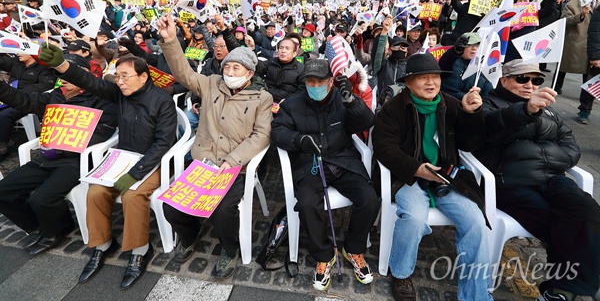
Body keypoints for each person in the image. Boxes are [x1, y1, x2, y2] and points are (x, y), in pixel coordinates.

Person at [38, 47, 178, 289]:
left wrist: (135, 173)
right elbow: (90, 82)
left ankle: (140, 250)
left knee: (133, 194)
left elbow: (164, 143)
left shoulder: (162, 101)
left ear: (143, 77)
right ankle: (103, 244)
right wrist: (62, 66)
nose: (119, 81)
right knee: (96, 191)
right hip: (121, 159)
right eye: (117, 76)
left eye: (125, 76)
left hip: (150, 163)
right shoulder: (119, 93)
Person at [156, 15, 272, 279]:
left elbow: (262, 135)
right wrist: (171, 40)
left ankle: (229, 249)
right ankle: (189, 235)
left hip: (234, 168)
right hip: (204, 163)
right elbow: (182, 72)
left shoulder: (262, 97)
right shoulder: (210, 84)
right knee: (171, 207)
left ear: (249, 74)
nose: (229, 73)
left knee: (223, 210)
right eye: (227, 67)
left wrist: (232, 160)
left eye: (236, 69)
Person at [474, 59, 600, 301]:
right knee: (560, 221)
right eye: (522, 79)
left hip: (551, 177)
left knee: (587, 209)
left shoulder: (550, 108)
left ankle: (565, 288)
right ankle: (562, 291)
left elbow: (571, 147)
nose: (530, 85)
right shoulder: (489, 103)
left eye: (536, 80)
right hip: (510, 181)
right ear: (504, 80)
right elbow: (489, 129)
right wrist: (526, 110)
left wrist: (546, 159)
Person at [372, 53, 492, 301]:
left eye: (435, 77)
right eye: (423, 78)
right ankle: (402, 273)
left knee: (476, 222)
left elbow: (470, 143)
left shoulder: (451, 104)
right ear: (408, 82)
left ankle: (476, 295)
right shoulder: (394, 108)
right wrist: (417, 169)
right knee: (414, 217)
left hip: (446, 178)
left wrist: (471, 114)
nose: (431, 83)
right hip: (408, 177)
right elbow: (385, 149)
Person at [271, 59, 379, 291]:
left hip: (343, 160)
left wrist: (351, 101)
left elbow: (368, 122)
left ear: (330, 82)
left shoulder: (342, 98)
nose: (315, 85)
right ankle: (323, 254)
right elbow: (278, 131)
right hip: (309, 164)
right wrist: (298, 140)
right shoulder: (292, 104)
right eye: (311, 81)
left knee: (369, 198)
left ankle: (353, 248)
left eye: (321, 81)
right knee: (308, 204)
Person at [0, 55, 118, 255]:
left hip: (77, 161)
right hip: (46, 158)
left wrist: (63, 145)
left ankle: (53, 232)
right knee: (4, 192)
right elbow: (24, 101)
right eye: (60, 75)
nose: (62, 79)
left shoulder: (102, 100)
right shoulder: (56, 95)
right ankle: (42, 225)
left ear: (83, 76)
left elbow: (102, 134)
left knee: (40, 199)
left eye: (68, 74)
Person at [555, 0, 600, 124]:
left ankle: (585, 107)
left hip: (593, 44)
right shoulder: (574, 3)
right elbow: (565, 21)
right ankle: (557, 86)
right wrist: (580, 15)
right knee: (565, 67)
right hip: (577, 42)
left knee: (590, 75)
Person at [0, 53, 56, 155]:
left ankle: (3, 144)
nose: (18, 53)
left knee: (4, 115)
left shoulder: (44, 68)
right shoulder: (16, 62)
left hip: (28, 100)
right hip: (8, 96)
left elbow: (46, 85)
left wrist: (19, 90)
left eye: (22, 51)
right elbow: (2, 61)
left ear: (32, 54)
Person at [439, 32, 493, 99]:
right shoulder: (451, 63)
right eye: (470, 45)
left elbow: (488, 93)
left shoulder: (482, 67)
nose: (474, 48)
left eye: (477, 45)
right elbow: (448, 91)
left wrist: (479, 102)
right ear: (461, 46)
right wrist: (468, 98)